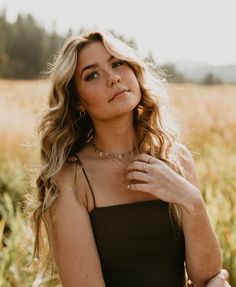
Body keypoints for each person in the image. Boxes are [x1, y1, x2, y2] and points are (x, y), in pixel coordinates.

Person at [33, 30, 231, 287]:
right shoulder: (70, 179)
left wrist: (191, 201)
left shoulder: (175, 158)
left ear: (135, 72)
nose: (113, 78)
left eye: (117, 63)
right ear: (78, 101)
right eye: (92, 75)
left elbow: (206, 276)